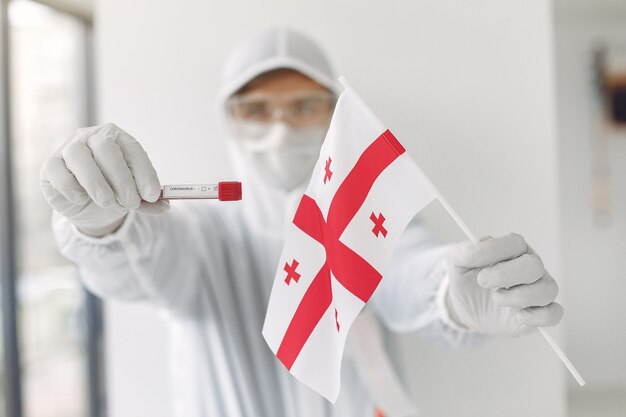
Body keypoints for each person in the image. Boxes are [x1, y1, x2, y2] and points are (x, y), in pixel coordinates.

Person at [40, 28, 564, 417]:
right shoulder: (204, 233)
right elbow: (147, 266)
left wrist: (452, 292)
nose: (282, 126)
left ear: (334, 113)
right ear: (229, 118)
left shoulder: (358, 220)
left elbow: (403, 269)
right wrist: (104, 227)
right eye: (256, 108)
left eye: (305, 106)